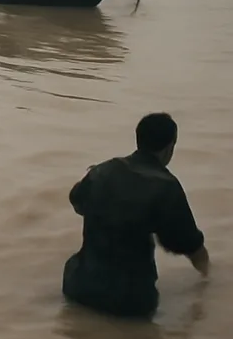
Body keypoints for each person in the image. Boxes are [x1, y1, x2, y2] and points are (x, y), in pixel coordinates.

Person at [62, 112, 209, 319]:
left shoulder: (102, 171)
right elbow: (188, 245)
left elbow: (77, 202)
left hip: (78, 288)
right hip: (129, 303)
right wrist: (208, 277)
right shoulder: (167, 187)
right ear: (170, 147)